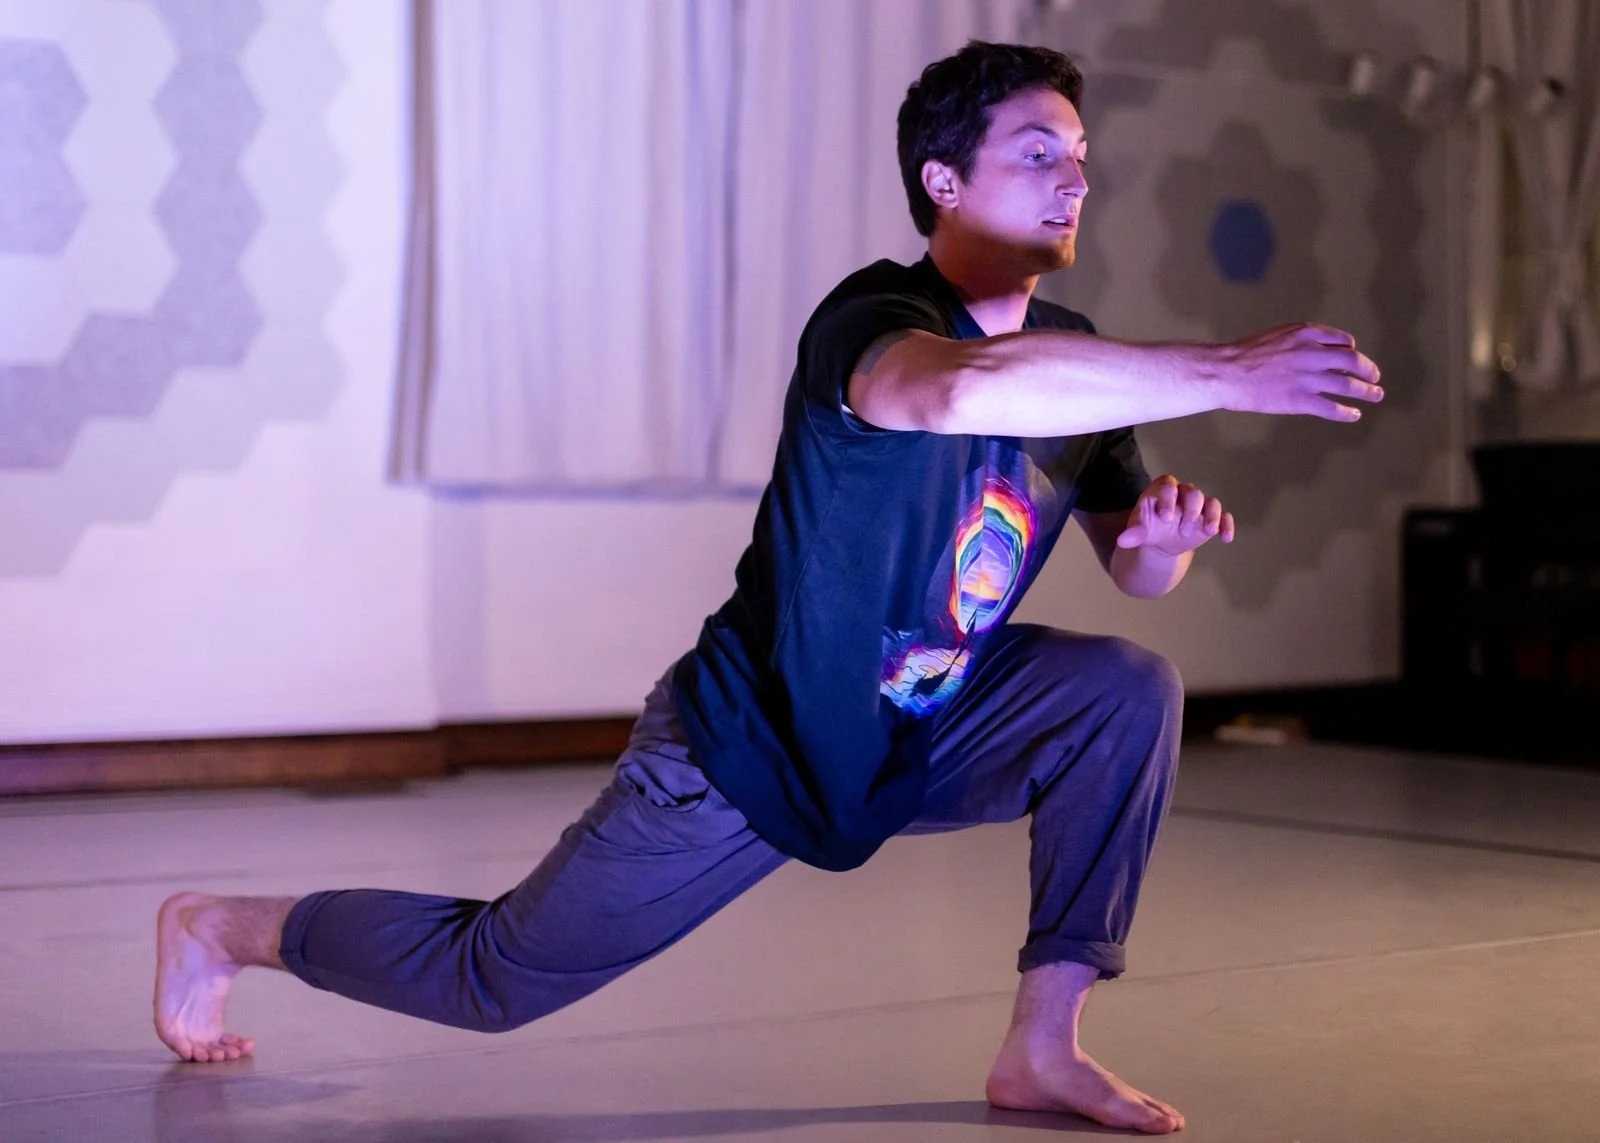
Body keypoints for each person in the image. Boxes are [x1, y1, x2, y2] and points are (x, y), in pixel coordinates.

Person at [154, 41, 1381, 1135]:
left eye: (1078, 156)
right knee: (495, 980)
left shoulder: (1081, 359)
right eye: (1035, 152)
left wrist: (1161, 539)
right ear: (944, 181)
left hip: (920, 724)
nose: (1074, 178)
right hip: (753, 745)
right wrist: (1228, 371)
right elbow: (956, 391)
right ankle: (226, 927)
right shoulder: (874, 316)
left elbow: (1136, 571)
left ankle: (1042, 1046)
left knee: (1125, 689)